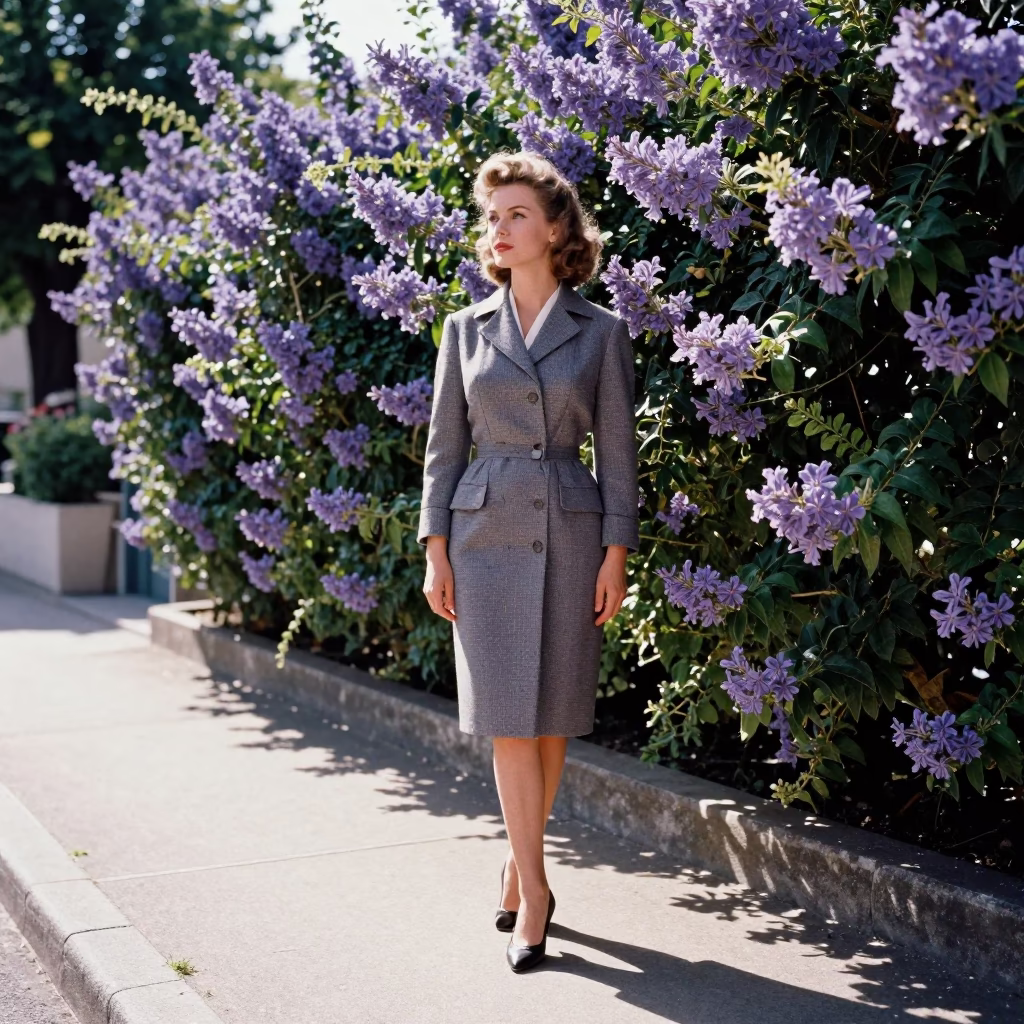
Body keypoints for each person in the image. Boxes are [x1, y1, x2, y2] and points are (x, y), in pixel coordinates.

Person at [416, 150, 639, 973]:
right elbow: (443, 450)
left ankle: (517, 864)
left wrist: (616, 554)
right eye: (492, 216)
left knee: (552, 719)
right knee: (508, 717)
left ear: (555, 229)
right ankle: (537, 893)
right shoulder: (464, 329)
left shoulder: (602, 332)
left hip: (574, 535)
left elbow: (619, 455)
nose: (499, 229)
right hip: (480, 540)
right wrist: (434, 549)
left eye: (516, 215)